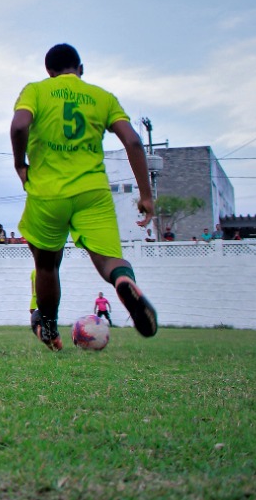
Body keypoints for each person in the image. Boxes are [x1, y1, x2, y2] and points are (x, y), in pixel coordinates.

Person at [10, 43, 159, 351]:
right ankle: (122, 281)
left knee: (47, 265)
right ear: (80, 68)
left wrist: (20, 164)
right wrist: (145, 194)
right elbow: (132, 140)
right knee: (108, 260)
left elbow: (20, 125)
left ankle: (49, 327)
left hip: (47, 192)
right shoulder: (102, 97)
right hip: (93, 191)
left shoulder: (36, 91)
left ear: (49, 72)